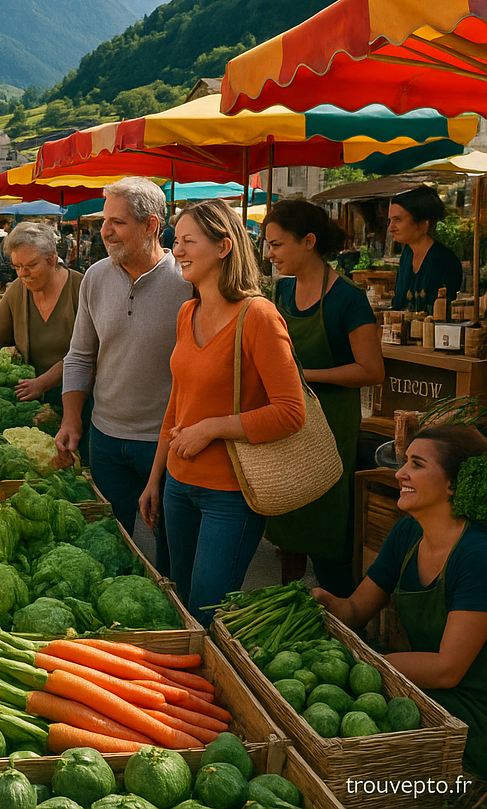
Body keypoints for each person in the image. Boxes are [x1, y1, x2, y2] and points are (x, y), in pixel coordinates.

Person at [140, 198, 306, 624]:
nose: (177, 250)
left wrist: (213, 428)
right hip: (178, 485)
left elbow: (291, 412)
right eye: (176, 240)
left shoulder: (259, 316)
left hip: (231, 495)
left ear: (223, 247)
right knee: (179, 602)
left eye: (188, 241)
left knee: (206, 611)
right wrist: (156, 478)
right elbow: (177, 404)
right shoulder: (187, 312)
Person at [314, 425, 487, 777]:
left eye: (417, 464)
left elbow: (447, 669)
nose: (399, 473)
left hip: (470, 711)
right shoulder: (407, 532)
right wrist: (321, 600)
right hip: (417, 687)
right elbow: (355, 610)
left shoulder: (477, 555)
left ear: (454, 483)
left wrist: (369, 665)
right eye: (405, 461)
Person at [55, 179, 192, 555]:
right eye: (105, 221)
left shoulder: (187, 281)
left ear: (151, 225)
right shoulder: (95, 277)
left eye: (117, 222)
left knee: (170, 553)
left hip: (167, 443)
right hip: (105, 440)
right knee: (108, 548)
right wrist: (71, 419)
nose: (105, 231)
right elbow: (80, 355)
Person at [263, 200, 385, 595]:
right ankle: (288, 603)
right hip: (287, 427)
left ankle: (345, 615)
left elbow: (372, 370)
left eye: (277, 245)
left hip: (332, 432)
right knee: (288, 533)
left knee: (329, 540)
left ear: (308, 241)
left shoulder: (348, 299)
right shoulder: (280, 292)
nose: (270, 254)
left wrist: (303, 376)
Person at [0, 221, 82, 409]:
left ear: (51, 259)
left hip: (78, 400)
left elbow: (88, 353)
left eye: (31, 265)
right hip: (31, 403)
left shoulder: (82, 288)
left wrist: (43, 383)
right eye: (17, 266)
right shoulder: (17, 290)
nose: (23, 274)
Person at [389, 185, 463, 313]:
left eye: (398, 220)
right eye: (390, 221)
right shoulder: (407, 254)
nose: (390, 228)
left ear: (424, 224)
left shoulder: (444, 260)